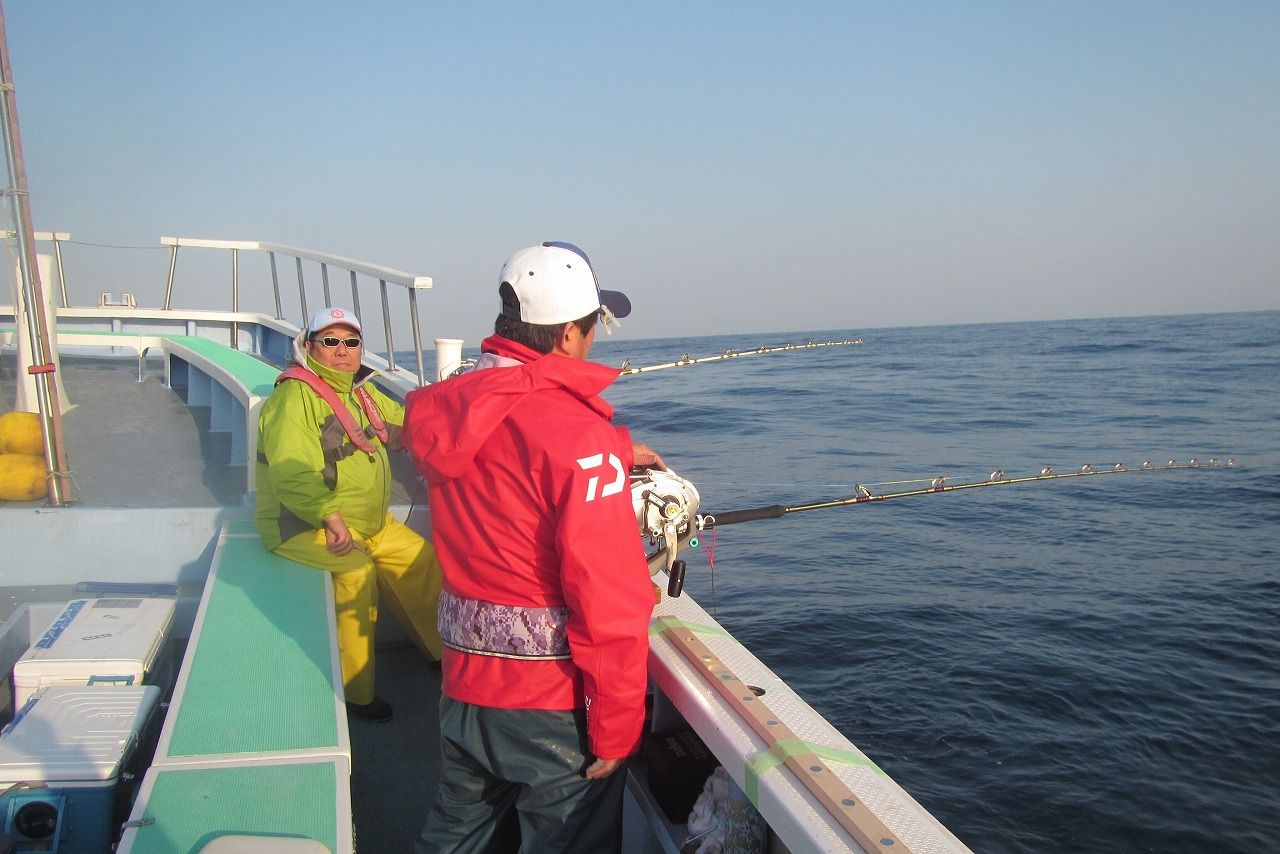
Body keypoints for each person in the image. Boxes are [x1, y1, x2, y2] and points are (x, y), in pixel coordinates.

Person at [403, 243, 662, 853]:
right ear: (570, 334)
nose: (594, 340)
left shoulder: (452, 403)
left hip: (465, 689)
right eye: (594, 326)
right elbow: (611, 600)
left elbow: (511, 442)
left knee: (458, 837)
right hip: (549, 707)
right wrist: (618, 726)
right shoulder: (578, 436)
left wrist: (613, 450)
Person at [255, 306, 444, 723]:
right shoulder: (292, 398)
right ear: (309, 348)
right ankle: (357, 695)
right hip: (301, 523)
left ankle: (439, 654)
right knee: (356, 573)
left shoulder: (362, 391)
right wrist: (330, 516)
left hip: (369, 524)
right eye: (331, 341)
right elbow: (290, 472)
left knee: (420, 559)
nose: (343, 351)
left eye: (351, 342)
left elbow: (401, 425)